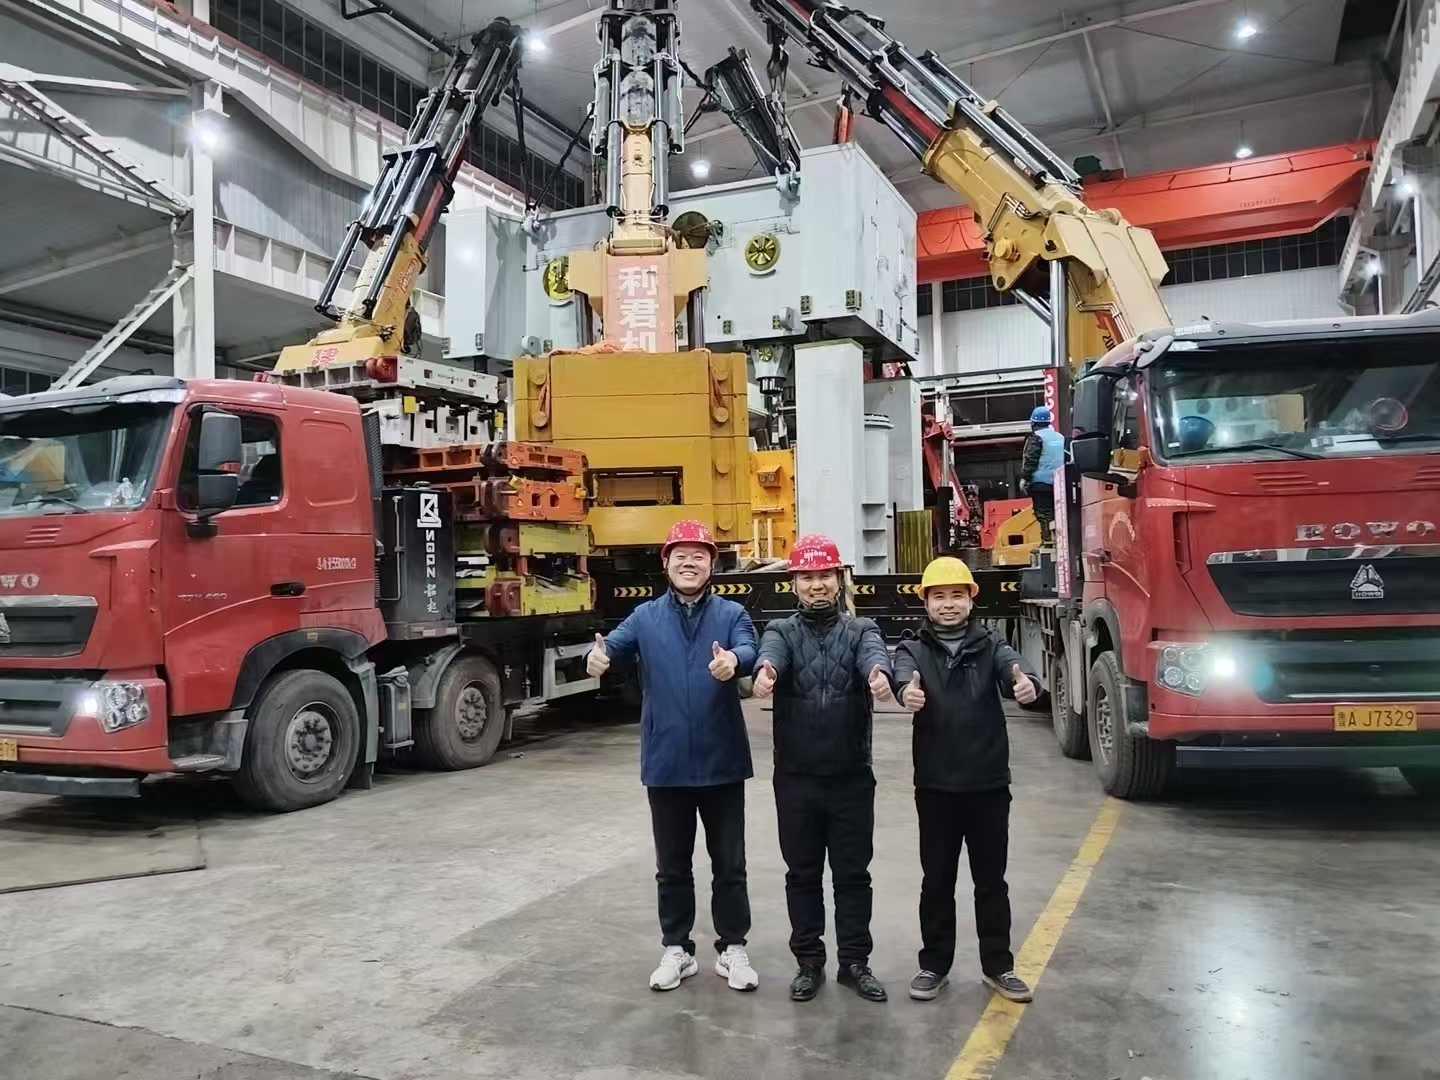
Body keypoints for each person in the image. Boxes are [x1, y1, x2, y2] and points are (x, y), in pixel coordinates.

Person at [586, 519, 761, 993]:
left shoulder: (731, 613)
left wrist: (734, 661)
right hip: (667, 763)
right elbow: (609, 648)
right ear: (665, 563)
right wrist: (595, 658)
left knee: (730, 864)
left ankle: (732, 947)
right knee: (672, 866)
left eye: (699, 555)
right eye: (680, 555)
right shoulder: (645, 617)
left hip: (723, 759)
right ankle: (677, 949)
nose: (689, 563)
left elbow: (750, 647)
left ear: (712, 565)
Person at [752, 534, 895, 1004]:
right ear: (794, 583)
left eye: (825, 575)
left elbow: (874, 654)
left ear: (839, 579)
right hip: (796, 778)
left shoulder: (861, 629)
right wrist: (765, 673)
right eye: (807, 577)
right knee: (803, 874)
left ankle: (854, 962)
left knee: (853, 875)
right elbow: (771, 656)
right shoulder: (781, 631)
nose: (817, 584)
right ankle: (808, 963)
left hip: (852, 775)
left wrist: (878, 675)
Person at [893, 556, 1042, 1005]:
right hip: (936, 785)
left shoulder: (991, 644)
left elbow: (1016, 669)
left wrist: (1028, 683)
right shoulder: (913, 649)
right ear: (925, 602)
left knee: (991, 881)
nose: (948, 604)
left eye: (957, 595)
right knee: (936, 880)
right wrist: (906, 692)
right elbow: (902, 679)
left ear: (971, 600)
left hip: (988, 784)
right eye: (939, 596)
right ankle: (934, 965)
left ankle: (999, 966)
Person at [1020, 405, 1064, 545]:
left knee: (1044, 513)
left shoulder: (1035, 438)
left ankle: (1048, 541)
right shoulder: (1060, 437)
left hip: (1040, 484)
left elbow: (1030, 460)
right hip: (1060, 483)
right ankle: (1061, 540)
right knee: (1059, 513)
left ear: (1033, 423)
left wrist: (1025, 478)